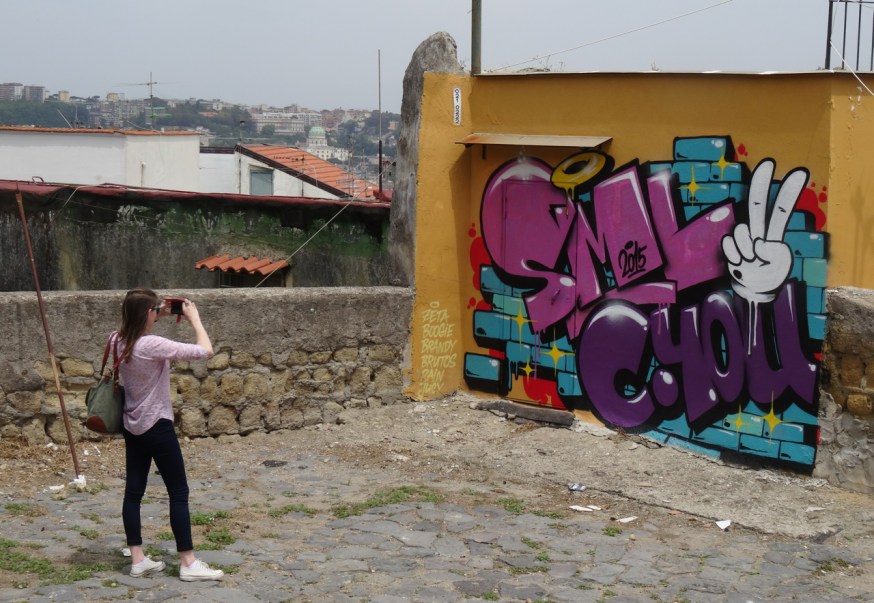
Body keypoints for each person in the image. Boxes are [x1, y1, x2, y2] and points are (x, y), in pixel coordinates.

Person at [114, 288, 224, 581]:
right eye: (156, 310)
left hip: (132, 424)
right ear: (148, 314)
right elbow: (205, 351)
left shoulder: (117, 341)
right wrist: (194, 319)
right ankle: (188, 563)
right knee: (178, 492)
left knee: (133, 492)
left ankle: (137, 558)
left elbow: (136, 323)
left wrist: (156, 311)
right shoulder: (152, 345)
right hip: (158, 425)